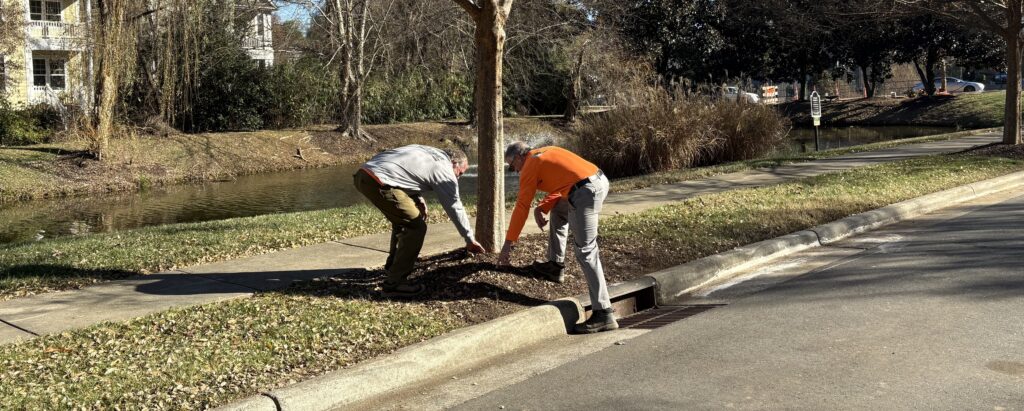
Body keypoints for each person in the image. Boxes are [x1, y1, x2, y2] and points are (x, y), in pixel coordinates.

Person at [498, 142, 617, 334]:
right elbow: (566, 180)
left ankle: (604, 312)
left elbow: (521, 207)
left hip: (586, 192)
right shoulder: (546, 152)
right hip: (596, 181)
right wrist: (543, 206)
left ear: (519, 157)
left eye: (512, 166)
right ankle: (555, 266)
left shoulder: (529, 166)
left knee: (586, 251)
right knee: (560, 212)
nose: (515, 171)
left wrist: (508, 244)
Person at [353, 144, 485, 297]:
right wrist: (469, 239)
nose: (458, 177)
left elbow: (407, 170)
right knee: (416, 227)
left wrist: (417, 198)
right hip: (381, 181)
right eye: (460, 173)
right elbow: (454, 205)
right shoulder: (444, 169)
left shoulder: (428, 151)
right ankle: (394, 284)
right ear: (454, 163)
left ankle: (393, 267)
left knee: (403, 221)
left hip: (364, 175)